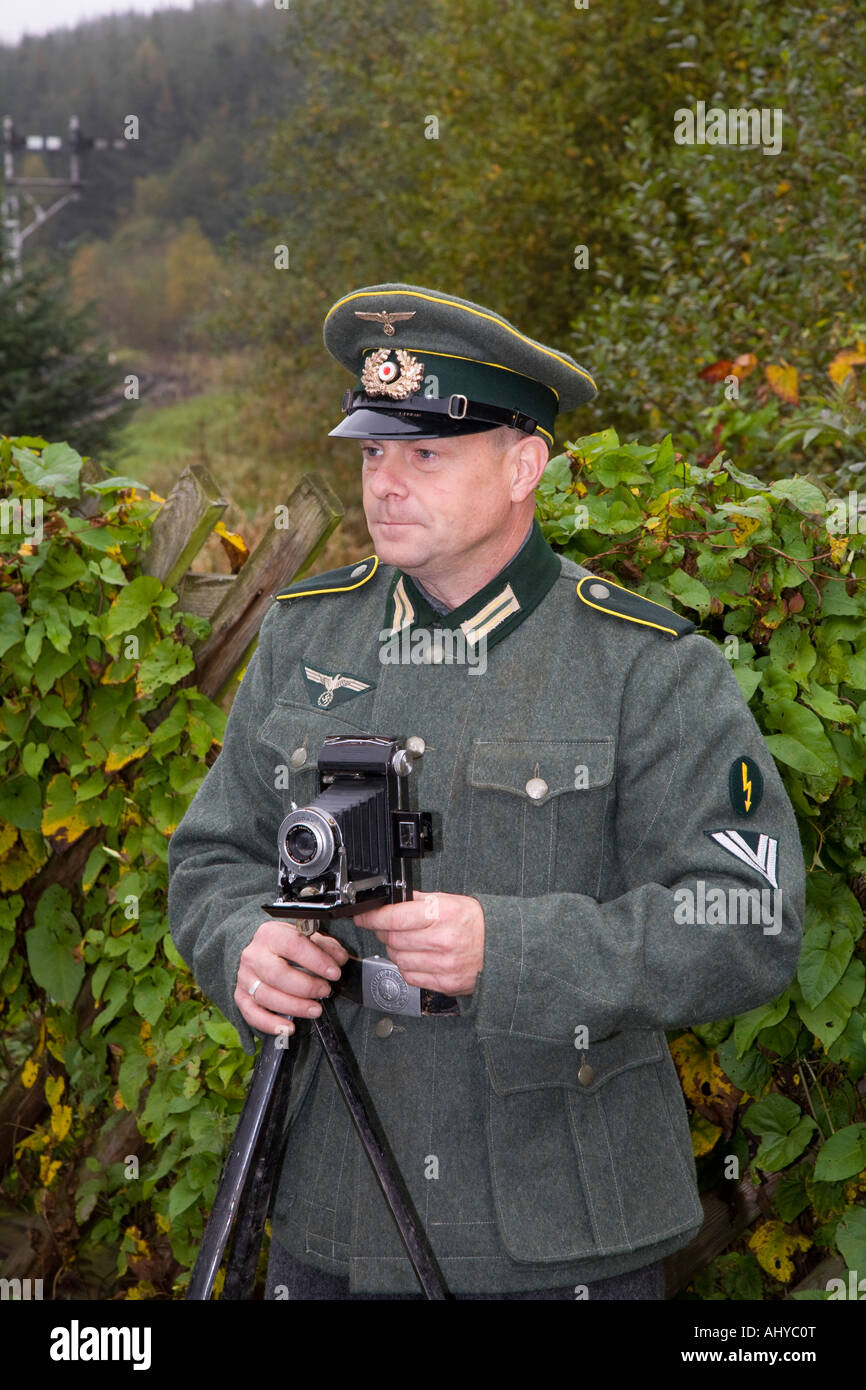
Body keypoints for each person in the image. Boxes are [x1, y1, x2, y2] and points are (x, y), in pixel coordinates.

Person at [167, 282, 805, 1300]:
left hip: (557, 1233)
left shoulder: (645, 667)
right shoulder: (306, 633)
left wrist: (509, 950)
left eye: (425, 453)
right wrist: (243, 942)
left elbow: (749, 921)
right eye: (373, 451)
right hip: (331, 1211)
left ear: (523, 463)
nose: (384, 483)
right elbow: (212, 857)